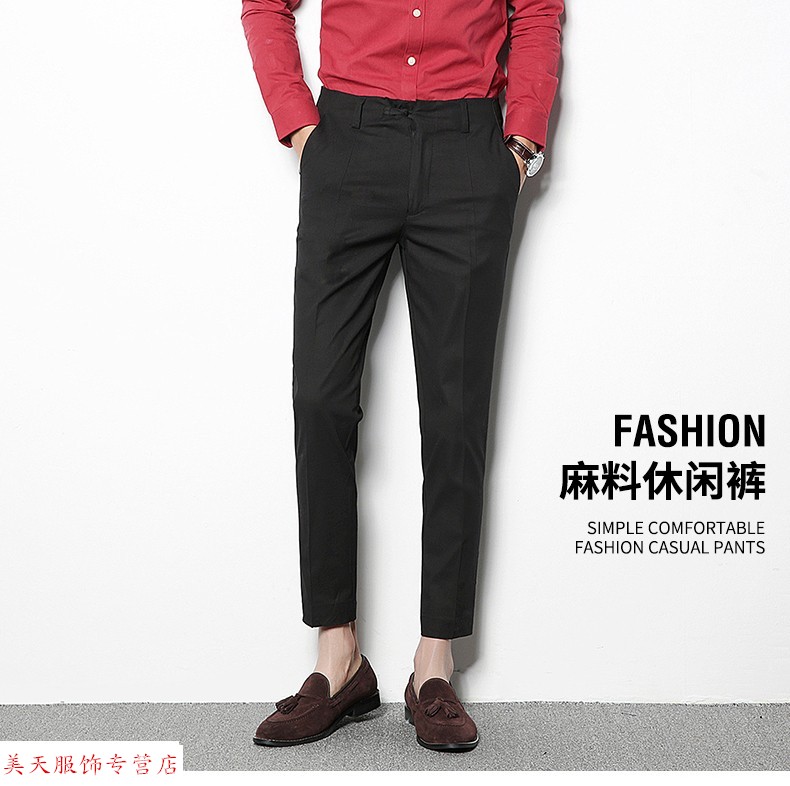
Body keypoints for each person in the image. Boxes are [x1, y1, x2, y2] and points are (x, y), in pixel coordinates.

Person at [240, 0, 563, 752]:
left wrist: (521, 140)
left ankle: (434, 662)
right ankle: (339, 658)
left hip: (468, 145)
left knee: (454, 412)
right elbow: (265, 6)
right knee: (320, 397)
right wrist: (301, 125)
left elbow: (538, 12)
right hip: (348, 140)